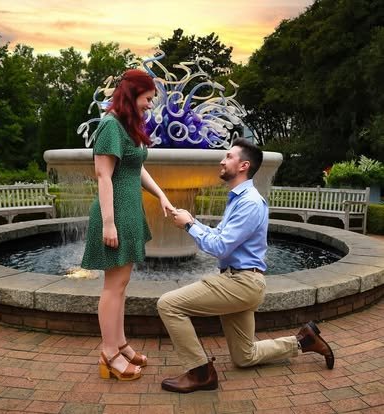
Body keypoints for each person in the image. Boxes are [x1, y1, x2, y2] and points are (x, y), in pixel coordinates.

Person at [157, 138, 335, 393]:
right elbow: (220, 236)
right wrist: (192, 220)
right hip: (241, 282)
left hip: (240, 283)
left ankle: (200, 372)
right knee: (245, 356)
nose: (221, 160)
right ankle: (303, 342)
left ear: (244, 165)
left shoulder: (250, 202)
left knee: (168, 304)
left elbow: (219, 247)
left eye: (228, 156)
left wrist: (189, 225)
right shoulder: (239, 199)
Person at [82, 69, 175, 381]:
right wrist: (109, 224)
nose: (150, 105)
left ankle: (120, 344)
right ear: (132, 94)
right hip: (116, 215)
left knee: (121, 286)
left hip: (129, 212)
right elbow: (103, 176)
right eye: (147, 98)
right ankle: (108, 353)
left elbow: (137, 167)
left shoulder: (127, 126)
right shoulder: (110, 125)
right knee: (113, 286)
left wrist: (161, 194)